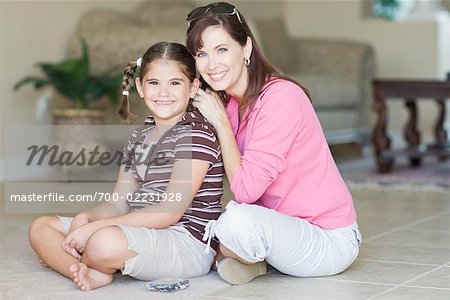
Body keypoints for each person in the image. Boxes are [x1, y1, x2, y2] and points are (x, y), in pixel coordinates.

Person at [185, 2, 362, 285]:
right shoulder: (228, 104)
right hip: (281, 228)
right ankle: (261, 264)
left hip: (329, 239)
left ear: (246, 48)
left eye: (222, 49)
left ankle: (255, 258)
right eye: (201, 54)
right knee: (199, 224)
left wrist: (220, 124)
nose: (211, 65)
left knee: (235, 223)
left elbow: (245, 191)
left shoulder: (281, 98)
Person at [28, 42, 224, 291]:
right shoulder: (140, 137)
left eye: (175, 83)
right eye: (154, 83)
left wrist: (93, 229)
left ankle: (76, 258)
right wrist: (86, 217)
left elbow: (170, 212)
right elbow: (119, 201)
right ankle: (82, 269)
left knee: (103, 241)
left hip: (185, 242)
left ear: (193, 86)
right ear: (140, 87)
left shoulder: (195, 134)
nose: (163, 92)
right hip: (139, 229)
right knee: (41, 227)